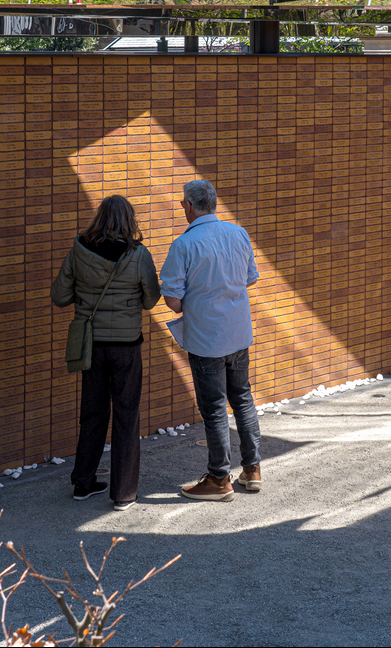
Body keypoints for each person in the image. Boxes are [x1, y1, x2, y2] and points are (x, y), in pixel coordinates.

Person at [51, 195, 160, 511]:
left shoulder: (79, 250)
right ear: (130, 220)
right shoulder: (138, 255)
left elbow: (59, 296)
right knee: (127, 415)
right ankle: (124, 493)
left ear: (99, 217)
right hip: (126, 346)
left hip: (92, 345)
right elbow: (152, 299)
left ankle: (83, 483)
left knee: (93, 412)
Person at [160, 179, 262, 501]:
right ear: (214, 203)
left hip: (206, 339)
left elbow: (173, 299)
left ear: (188, 206)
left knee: (215, 408)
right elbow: (250, 278)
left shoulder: (184, 245)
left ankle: (219, 479)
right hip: (238, 332)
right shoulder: (239, 233)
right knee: (242, 398)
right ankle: (252, 469)